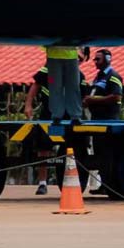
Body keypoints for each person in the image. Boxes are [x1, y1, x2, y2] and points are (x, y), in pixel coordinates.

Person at [24, 51, 89, 195]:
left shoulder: (81, 77)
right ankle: (42, 183)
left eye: (79, 59)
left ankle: (71, 181)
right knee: (44, 148)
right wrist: (28, 105)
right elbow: (36, 85)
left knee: (71, 147)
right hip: (49, 117)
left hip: (70, 120)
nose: (77, 60)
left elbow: (84, 98)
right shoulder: (49, 69)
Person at [84, 49, 124, 195]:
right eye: (94, 59)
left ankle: (110, 185)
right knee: (100, 153)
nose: (95, 62)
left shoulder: (113, 76)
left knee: (108, 154)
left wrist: (93, 100)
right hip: (96, 121)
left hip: (108, 122)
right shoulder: (97, 78)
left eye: (98, 59)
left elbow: (117, 97)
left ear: (107, 59)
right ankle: (104, 184)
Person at [45, 44, 85, 124]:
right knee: (55, 87)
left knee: (73, 87)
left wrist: (84, 47)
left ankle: (75, 116)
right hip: (53, 56)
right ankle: (57, 116)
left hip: (71, 56)